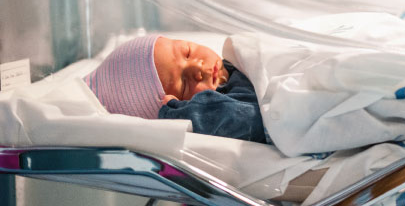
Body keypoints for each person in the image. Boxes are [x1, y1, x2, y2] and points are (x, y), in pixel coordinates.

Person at [84, 34, 267, 143]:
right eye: (184, 84)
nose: (197, 68)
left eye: (188, 52)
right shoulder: (230, 101)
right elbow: (253, 119)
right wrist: (189, 115)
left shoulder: (239, 61)